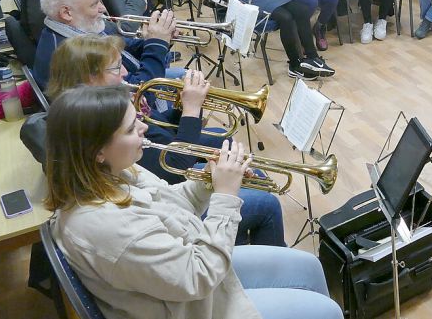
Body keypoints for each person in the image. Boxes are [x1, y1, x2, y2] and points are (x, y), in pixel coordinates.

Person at [44, 85, 342, 319]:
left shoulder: (113, 172)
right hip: (191, 302)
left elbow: (172, 202)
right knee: (326, 311)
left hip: (189, 276)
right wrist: (225, 197)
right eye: (131, 128)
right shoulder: (105, 228)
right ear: (98, 150)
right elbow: (198, 276)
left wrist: (209, 182)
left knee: (308, 267)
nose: (143, 128)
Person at [36, 34, 286, 247]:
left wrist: (180, 108)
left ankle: (242, 243)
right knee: (266, 202)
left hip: (167, 195)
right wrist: (191, 110)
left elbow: (158, 130)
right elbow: (175, 166)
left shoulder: (104, 110)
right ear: (89, 78)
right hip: (172, 192)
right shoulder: (101, 119)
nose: (126, 72)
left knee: (230, 152)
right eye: (115, 68)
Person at [33, 0, 174, 89]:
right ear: (66, 13)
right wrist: (157, 44)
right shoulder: (74, 52)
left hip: (141, 77)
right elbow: (138, 92)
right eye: (95, 4)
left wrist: (156, 38)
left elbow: (124, 47)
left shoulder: (77, 28)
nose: (103, 8)